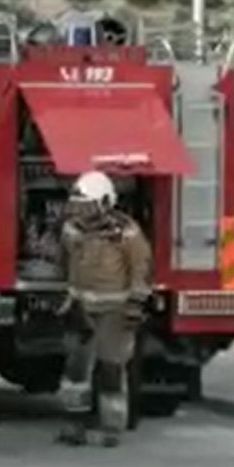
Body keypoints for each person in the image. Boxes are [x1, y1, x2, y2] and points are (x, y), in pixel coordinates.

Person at [55, 170, 152, 449]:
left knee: (111, 368)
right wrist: (68, 296)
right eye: (79, 205)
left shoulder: (127, 233)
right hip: (80, 309)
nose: (81, 212)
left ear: (106, 203)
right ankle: (75, 423)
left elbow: (140, 269)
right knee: (75, 371)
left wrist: (135, 304)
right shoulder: (71, 230)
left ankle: (110, 427)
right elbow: (65, 261)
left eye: (88, 205)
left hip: (115, 311)